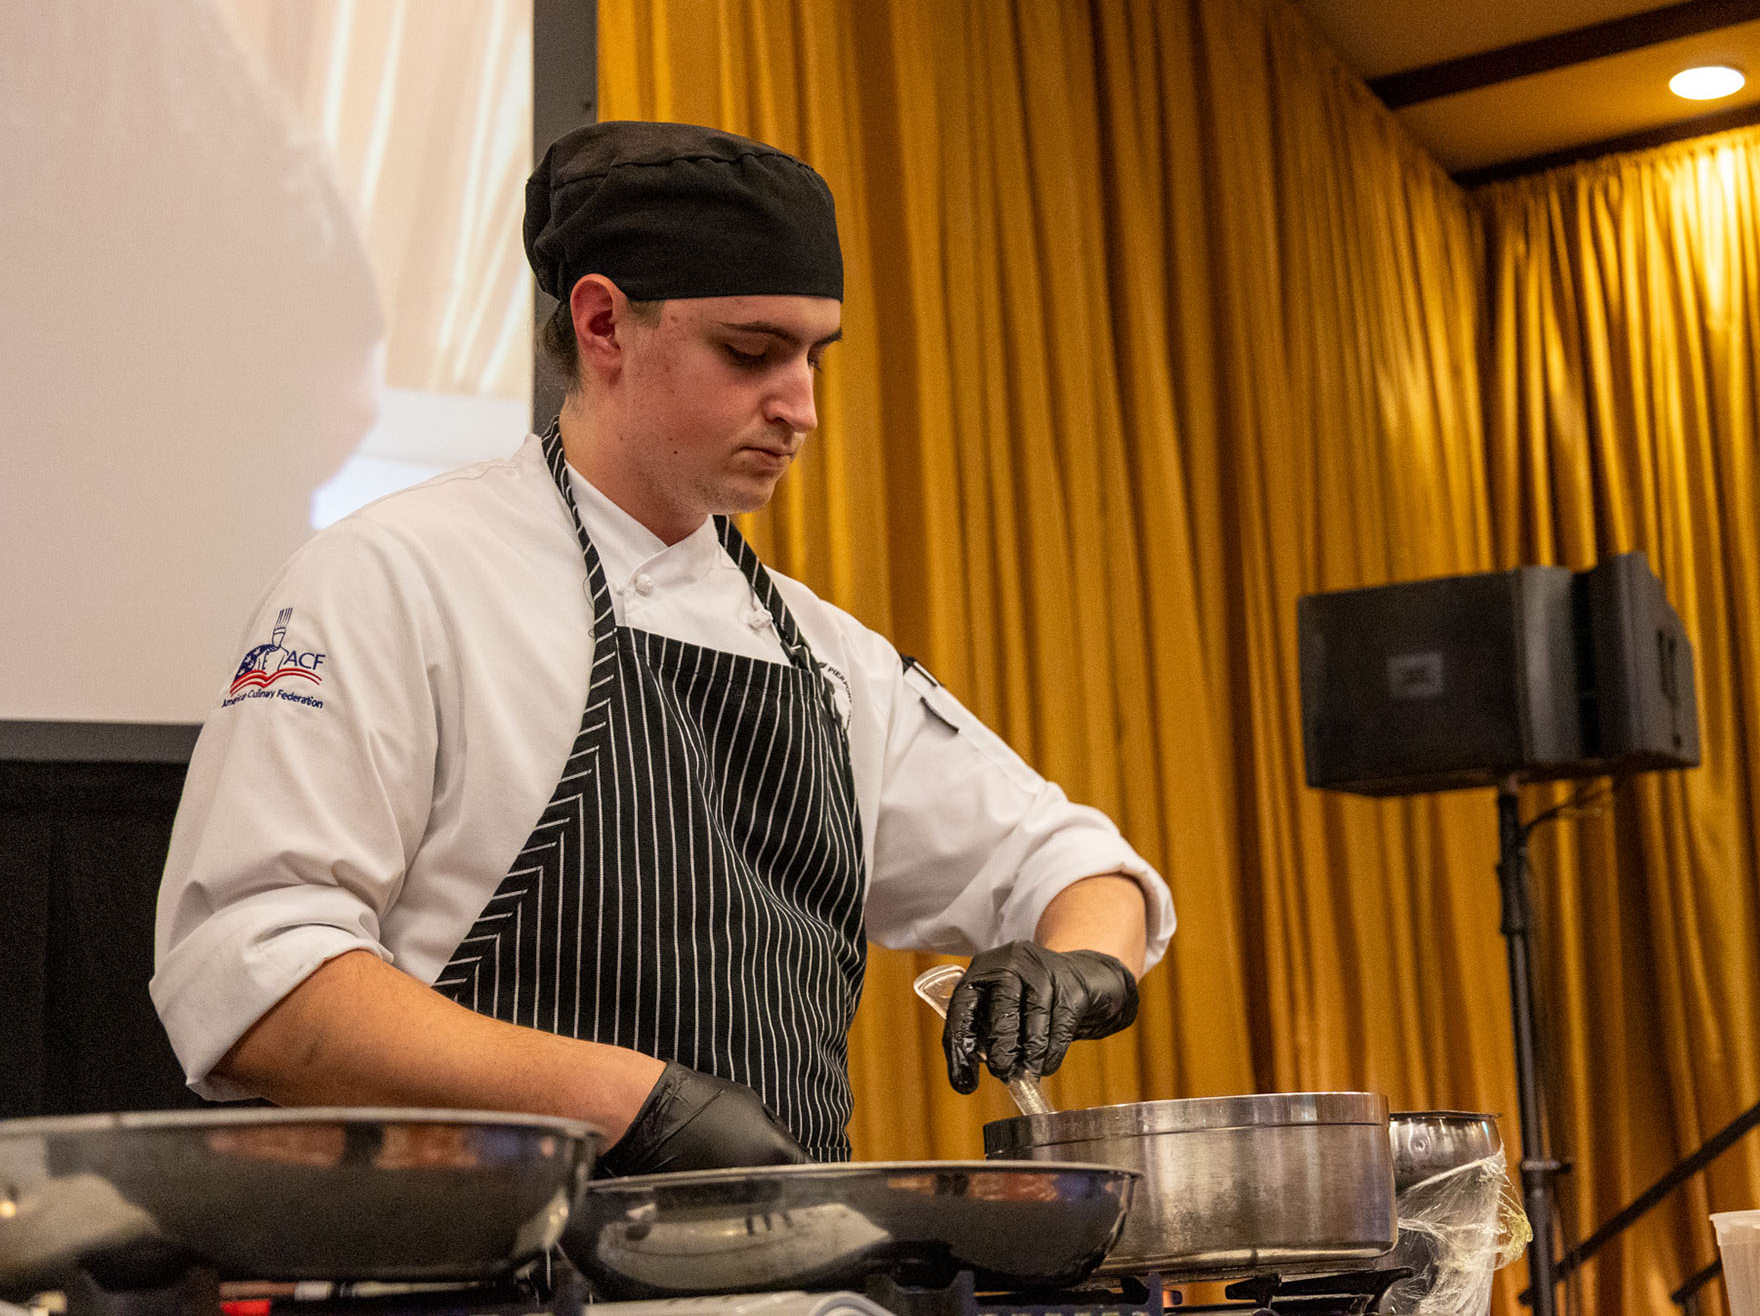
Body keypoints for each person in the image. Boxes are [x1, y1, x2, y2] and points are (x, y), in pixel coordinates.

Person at [152, 121, 1175, 1172]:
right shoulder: (393, 582)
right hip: (484, 1274)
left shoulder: (827, 660)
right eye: (750, 351)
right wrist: (628, 1100)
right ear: (601, 323)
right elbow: (256, 980)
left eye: (814, 355)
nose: (803, 407)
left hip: (785, 1271)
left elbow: (1073, 865)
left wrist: (1081, 965)